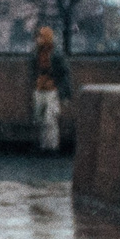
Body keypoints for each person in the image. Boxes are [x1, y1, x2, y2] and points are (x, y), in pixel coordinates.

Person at [32, 24, 73, 154]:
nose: (38, 39)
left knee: (50, 119)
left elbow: (64, 74)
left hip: (52, 89)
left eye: (41, 37)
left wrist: (65, 93)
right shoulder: (37, 53)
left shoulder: (55, 54)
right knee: (42, 119)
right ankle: (45, 146)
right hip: (40, 88)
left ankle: (52, 147)